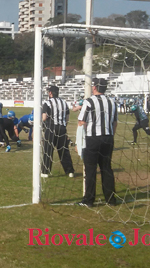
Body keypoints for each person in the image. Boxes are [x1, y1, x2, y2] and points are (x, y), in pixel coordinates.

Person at [77, 78, 117, 207]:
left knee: (90, 170)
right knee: (106, 168)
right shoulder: (112, 102)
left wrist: (80, 142)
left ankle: (89, 200)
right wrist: (110, 136)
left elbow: (81, 122)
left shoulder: (89, 102)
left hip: (93, 139)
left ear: (94, 87)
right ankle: (111, 199)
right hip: (108, 137)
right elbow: (114, 122)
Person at [41, 85, 74, 178]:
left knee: (48, 150)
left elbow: (44, 118)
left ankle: (45, 171)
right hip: (62, 128)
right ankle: (70, 171)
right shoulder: (64, 102)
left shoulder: (47, 103)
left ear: (50, 93)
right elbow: (67, 118)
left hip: (51, 127)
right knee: (64, 150)